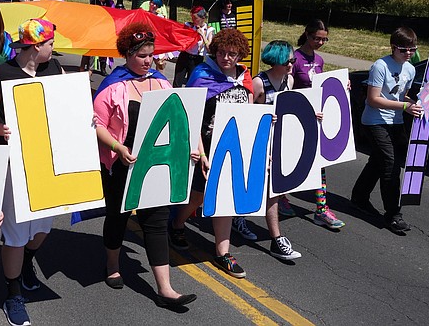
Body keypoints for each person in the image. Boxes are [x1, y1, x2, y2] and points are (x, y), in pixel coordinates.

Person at [93, 22, 197, 307]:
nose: (148, 60)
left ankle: (165, 289)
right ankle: (112, 265)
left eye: (151, 54)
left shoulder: (162, 82)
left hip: (154, 166)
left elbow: (180, 118)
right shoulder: (113, 85)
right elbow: (97, 124)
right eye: (142, 55)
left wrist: (190, 149)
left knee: (156, 222)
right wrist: (118, 147)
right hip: (121, 163)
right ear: (127, 54)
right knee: (118, 217)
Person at [0, 19, 63, 326]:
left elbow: (62, 106)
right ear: (36, 46)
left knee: (42, 228)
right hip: (14, 163)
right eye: (50, 44)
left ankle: (27, 262)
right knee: (15, 232)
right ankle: (12, 293)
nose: (54, 49)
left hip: (46, 162)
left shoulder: (54, 69)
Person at [169, 29, 254, 278]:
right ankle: (176, 224)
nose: (226, 57)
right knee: (198, 198)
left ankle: (222, 253)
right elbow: (192, 116)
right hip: (205, 146)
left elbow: (249, 112)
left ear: (240, 55)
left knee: (224, 199)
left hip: (233, 146)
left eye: (232, 54)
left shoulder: (245, 77)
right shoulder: (202, 75)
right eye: (221, 52)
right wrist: (200, 152)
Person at [351, 27, 423, 235]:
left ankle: (359, 198)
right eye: (403, 50)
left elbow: (403, 96)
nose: (408, 54)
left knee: (378, 161)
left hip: (396, 121)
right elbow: (373, 99)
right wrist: (404, 107)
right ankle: (393, 214)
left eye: (412, 50)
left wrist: (419, 104)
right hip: (375, 121)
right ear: (393, 47)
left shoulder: (410, 69)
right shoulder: (380, 66)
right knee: (390, 166)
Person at [285, 20, 345, 229]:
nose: (320, 42)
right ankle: (281, 197)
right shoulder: (294, 58)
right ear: (307, 35)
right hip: (296, 119)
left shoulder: (319, 60)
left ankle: (321, 209)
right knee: (290, 162)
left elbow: (324, 87)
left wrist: (340, 85)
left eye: (324, 39)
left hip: (316, 118)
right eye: (316, 38)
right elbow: (287, 88)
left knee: (319, 164)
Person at [249, 40, 303, 260]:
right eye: (288, 60)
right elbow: (244, 115)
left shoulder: (289, 79)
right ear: (276, 61)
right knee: (252, 185)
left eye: (293, 60)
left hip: (279, 143)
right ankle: (242, 221)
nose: (292, 64)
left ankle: (275, 238)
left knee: (274, 190)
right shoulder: (258, 83)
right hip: (259, 143)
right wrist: (262, 118)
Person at [173, 5, 213, 87]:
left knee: (192, 83)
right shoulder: (189, 26)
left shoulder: (209, 30)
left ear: (202, 18)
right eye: (192, 18)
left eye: (195, 18)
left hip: (197, 59)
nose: (193, 20)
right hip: (185, 55)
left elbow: (209, 49)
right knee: (178, 80)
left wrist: (202, 35)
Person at [80, 0, 115, 74]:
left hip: (105, 28)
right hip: (94, 27)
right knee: (89, 49)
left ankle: (103, 68)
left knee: (103, 49)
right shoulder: (94, 1)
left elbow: (112, 11)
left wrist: (107, 1)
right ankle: (84, 67)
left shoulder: (110, 3)